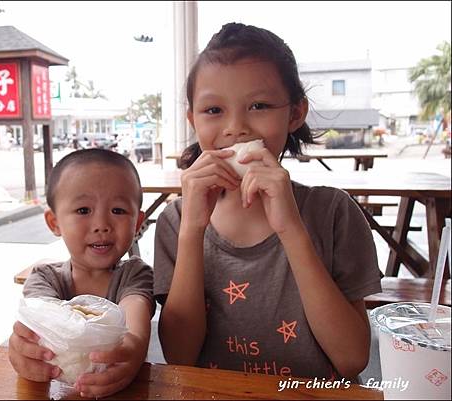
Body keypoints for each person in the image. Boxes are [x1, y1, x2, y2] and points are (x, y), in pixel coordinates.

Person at [154, 23, 382, 381]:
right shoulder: (177, 221)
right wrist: (192, 232)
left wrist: (290, 228)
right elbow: (179, 355)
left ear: (295, 113)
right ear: (192, 119)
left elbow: (352, 358)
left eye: (258, 105)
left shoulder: (333, 213)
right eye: (213, 110)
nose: (235, 127)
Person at [8, 148, 154, 398]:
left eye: (118, 210)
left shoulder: (135, 274)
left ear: (138, 223)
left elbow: (133, 329)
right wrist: (23, 350)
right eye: (84, 210)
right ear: (55, 223)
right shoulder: (45, 278)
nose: (101, 225)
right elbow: (40, 324)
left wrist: (131, 353)